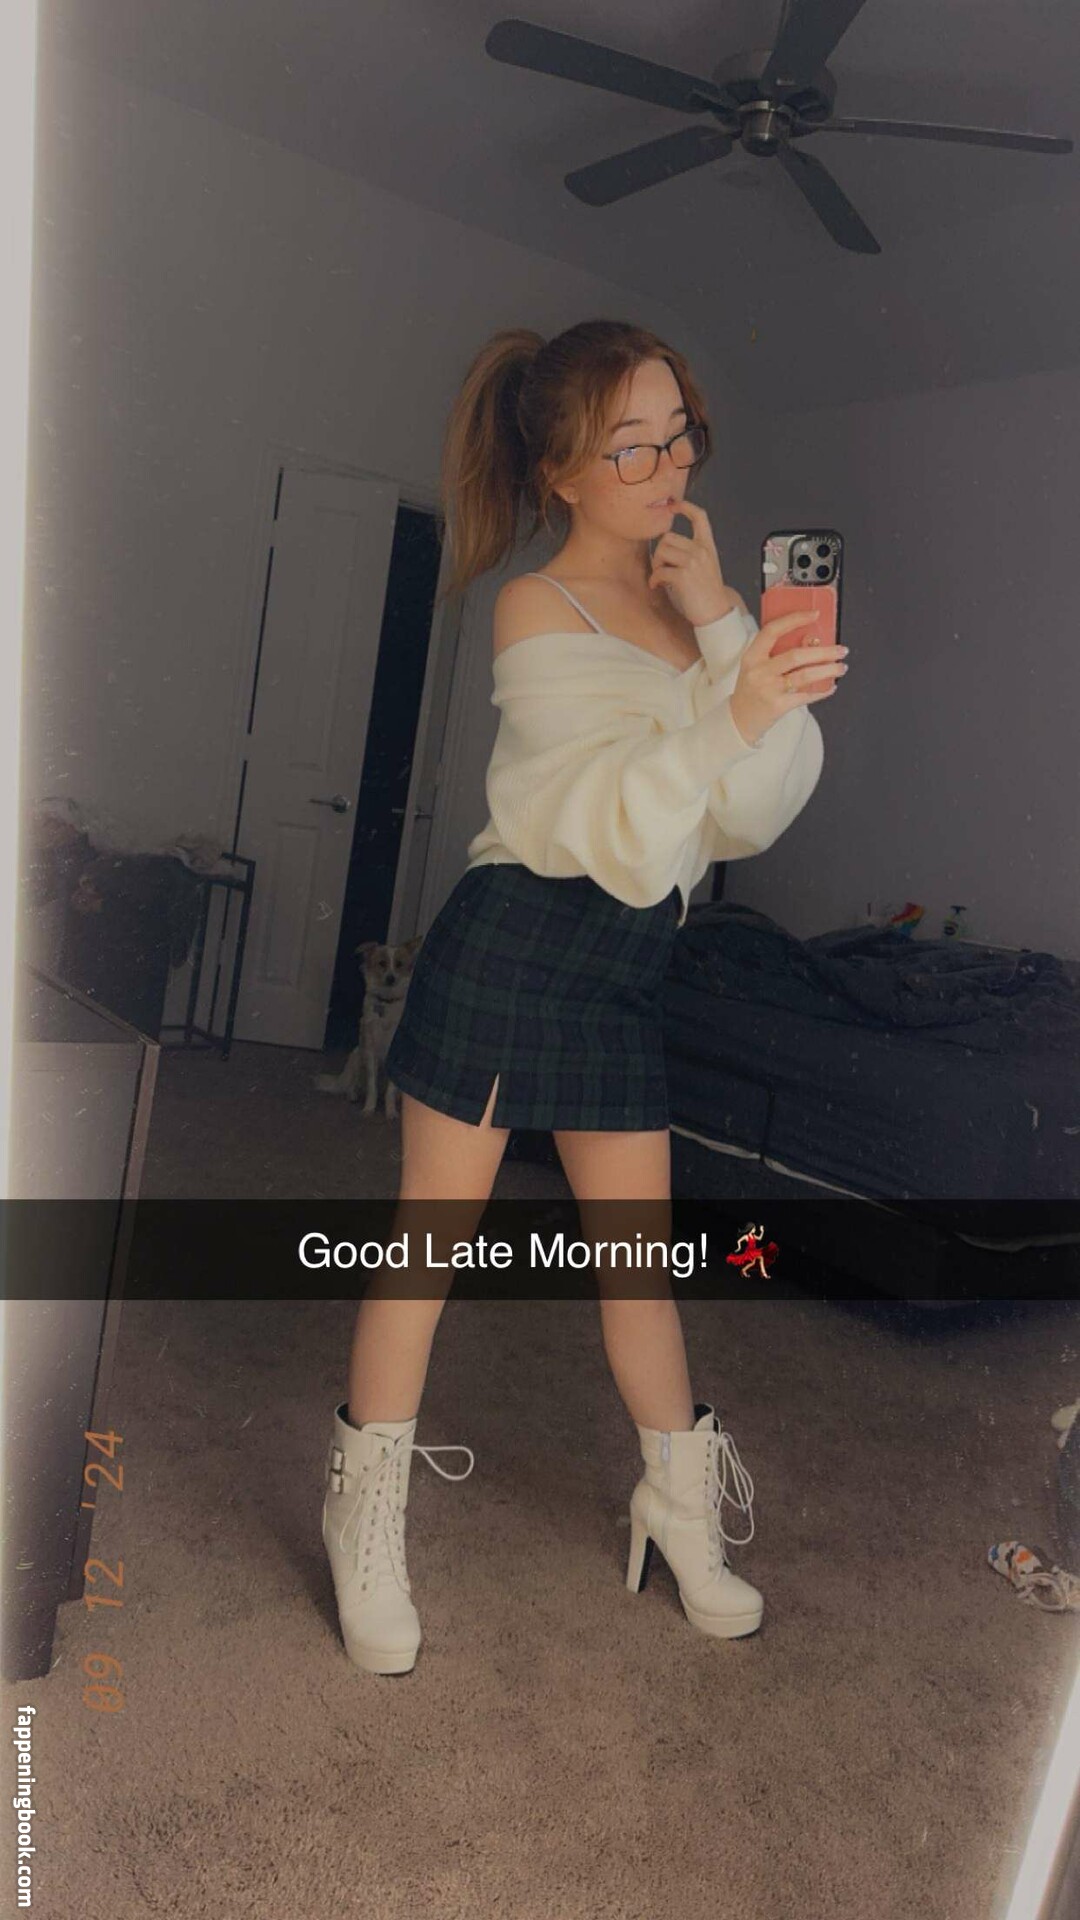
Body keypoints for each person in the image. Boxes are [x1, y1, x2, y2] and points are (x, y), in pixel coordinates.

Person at [322, 319, 849, 1675]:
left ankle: (676, 1512)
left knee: (639, 1264)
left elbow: (754, 810)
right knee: (428, 1248)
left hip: (625, 968)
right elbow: (606, 819)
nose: (668, 467)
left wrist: (727, 626)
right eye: (631, 447)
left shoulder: (695, 607)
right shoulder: (535, 609)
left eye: (680, 437)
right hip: (520, 941)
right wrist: (734, 709)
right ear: (560, 471)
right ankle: (362, 1517)